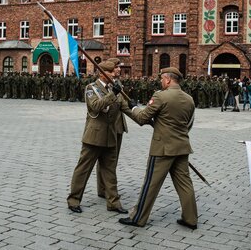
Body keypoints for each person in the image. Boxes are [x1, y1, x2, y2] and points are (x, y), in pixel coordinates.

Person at [119, 67, 198, 229]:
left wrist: (132, 107)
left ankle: (138, 218)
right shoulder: (189, 99)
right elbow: (189, 123)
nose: (160, 81)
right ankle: (191, 219)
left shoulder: (161, 96)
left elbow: (142, 118)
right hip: (182, 146)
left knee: (151, 183)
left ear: (168, 79)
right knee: (185, 184)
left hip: (162, 148)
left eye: (162, 78)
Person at [67, 61, 131, 214]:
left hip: (110, 135)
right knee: (84, 169)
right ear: (103, 73)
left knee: (110, 171)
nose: (115, 74)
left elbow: (125, 107)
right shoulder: (91, 88)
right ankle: (73, 200)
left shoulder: (115, 88)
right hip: (94, 136)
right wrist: (113, 94)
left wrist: (144, 117)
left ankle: (113, 202)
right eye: (111, 72)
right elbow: (96, 106)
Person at [97, 58, 128, 198]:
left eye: (118, 67)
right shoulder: (103, 85)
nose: (119, 70)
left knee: (113, 159)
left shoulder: (118, 83)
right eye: (116, 67)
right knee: (105, 159)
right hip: (109, 124)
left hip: (119, 124)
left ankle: (108, 188)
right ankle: (103, 189)